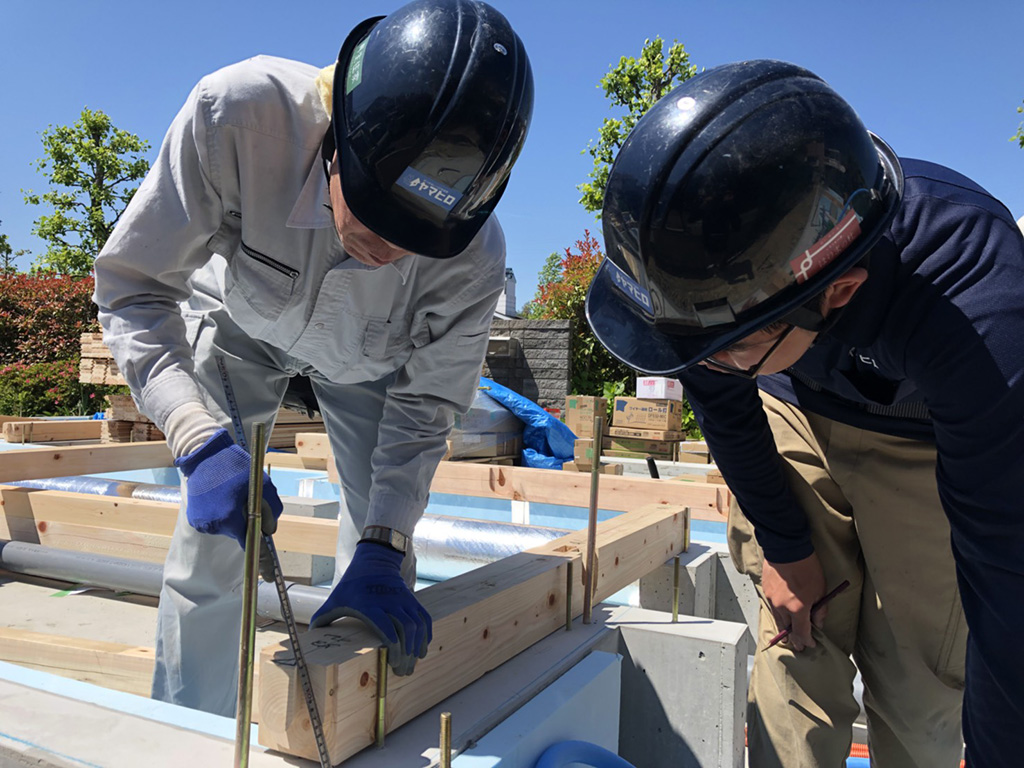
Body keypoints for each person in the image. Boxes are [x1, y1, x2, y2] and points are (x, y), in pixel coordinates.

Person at [92, 0, 533, 717]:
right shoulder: (235, 118)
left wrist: (386, 543)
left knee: (385, 553)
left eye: (416, 238)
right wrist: (196, 439)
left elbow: (426, 408)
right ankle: (191, 727)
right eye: (375, 214)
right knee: (210, 547)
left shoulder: (474, 256)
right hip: (241, 326)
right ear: (338, 141)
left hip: (371, 363)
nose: (389, 249)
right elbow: (134, 288)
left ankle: (360, 715)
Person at [586, 59, 1024, 767]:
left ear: (840, 291)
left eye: (724, 349)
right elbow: (722, 388)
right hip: (796, 404)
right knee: (796, 650)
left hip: (929, 443)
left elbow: (1008, 574)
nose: (704, 364)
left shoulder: (979, 299)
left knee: (919, 689)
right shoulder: (713, 285)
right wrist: (786, 549)